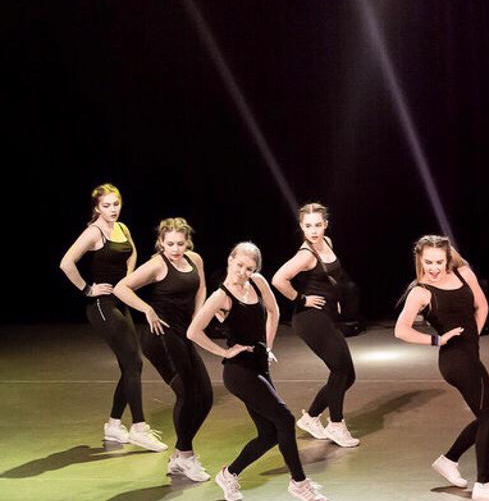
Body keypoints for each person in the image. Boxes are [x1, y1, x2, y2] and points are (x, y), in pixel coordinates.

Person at [188, 242, 327, 501]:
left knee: (270, 434)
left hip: (260, 364)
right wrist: (224, 352)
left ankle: (229, 474)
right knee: (285, 419)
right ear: (230, 260)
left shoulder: (258, 282)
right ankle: (299, 483)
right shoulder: (220, 297)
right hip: (239, 371)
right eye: (239, 265)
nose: (243, 272)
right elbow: (193, 331)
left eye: (249, 268)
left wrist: (268, 346)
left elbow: (273, 311)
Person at [394, 235, 489, 501]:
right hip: (454, 360)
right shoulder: (421, 291)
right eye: (428, 262)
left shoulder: (464, 274)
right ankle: (484, 485)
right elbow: (401, 330)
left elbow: (481, 306)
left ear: (448, 258)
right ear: (420, 260)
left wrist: (474, 336)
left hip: (470, 354)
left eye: (439, 262)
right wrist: (436, 340)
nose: (434, 268)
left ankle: (448, 461)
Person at [59, 183, 166, 452]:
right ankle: (139, 428)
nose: (112, 209)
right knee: (134, 362)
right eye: (106, 205)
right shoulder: (94, 232)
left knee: (131, 366)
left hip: (120, 300)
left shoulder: (122, 228)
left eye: (115, 204)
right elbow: (66, 263)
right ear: (97, 208)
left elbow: (133, 252)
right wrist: (88, 289)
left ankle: (114, 425)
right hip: (101, 305)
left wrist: (128, 281)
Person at [114, 217, 212, 480]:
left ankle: (180, 455)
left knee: (206, 397)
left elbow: (201, 287)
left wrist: (198, 316)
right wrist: (147, 309)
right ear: (161, 243)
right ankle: (186, 456)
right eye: (170, 244)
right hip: (160, 337)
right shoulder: (157, 264)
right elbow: (121, 288)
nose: (175, 249)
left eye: (180, 243)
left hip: (184, 334)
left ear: (187, 242)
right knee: (187, 394)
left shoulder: (195, 259)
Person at [272, 203, 358, 448]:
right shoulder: (306, 255)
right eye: (308, 226)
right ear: (301, 226)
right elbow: (278, 279)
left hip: (326, 316)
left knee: (348, 375)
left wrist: (335, 299)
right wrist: (301, 299)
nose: (313, 230)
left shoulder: (327, 242)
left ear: (325, 225)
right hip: (309, 318)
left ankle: (310, 418)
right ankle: (336, 424)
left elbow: (332, 277)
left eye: (318, 225)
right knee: (340, 370)